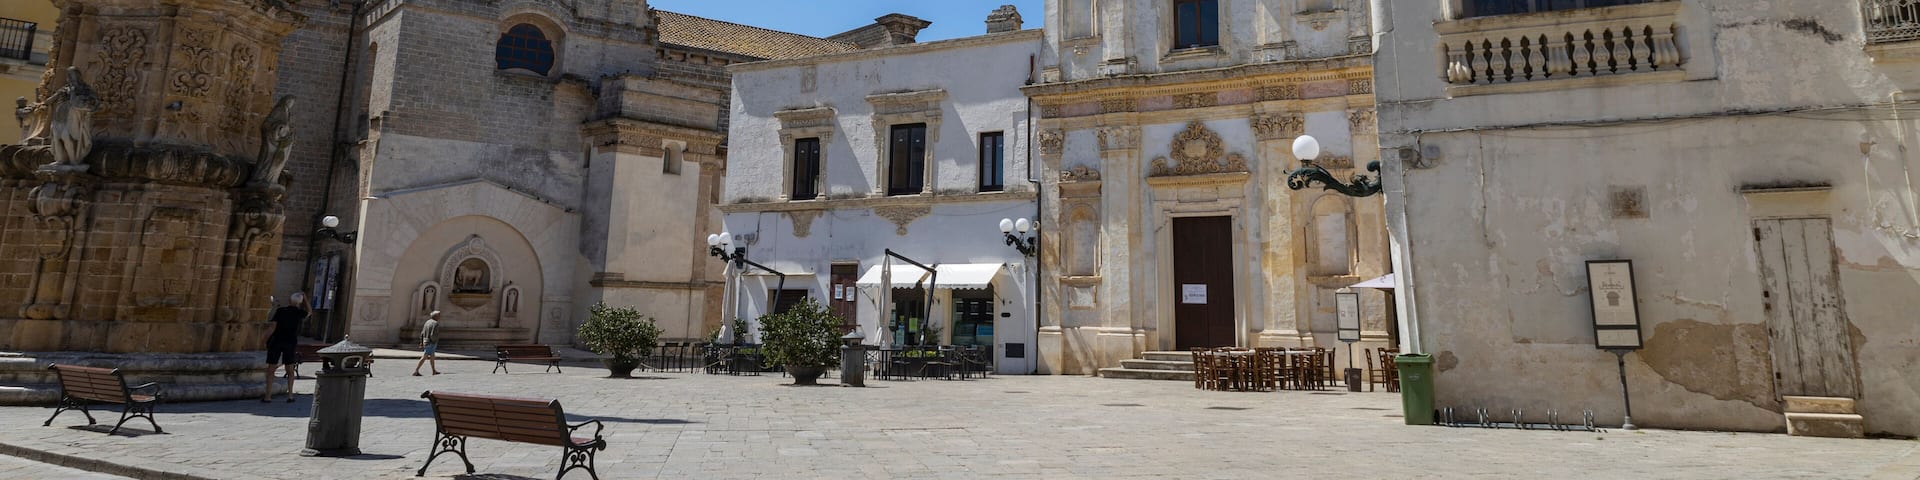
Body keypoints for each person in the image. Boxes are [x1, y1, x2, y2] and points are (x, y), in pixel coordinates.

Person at [263, 292, 309, 403]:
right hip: (290, 342)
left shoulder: (280, 311)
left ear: (289, 300)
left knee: (271, 369)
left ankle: (267, 396)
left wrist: (264, 339)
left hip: (277, 341)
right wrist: (306, 300)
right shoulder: (299, 313)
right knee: (290, 370)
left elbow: (273, 326)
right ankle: (290, 395)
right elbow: (309, 312)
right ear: (299, 303)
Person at [413, 310, 442, 376]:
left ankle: (434, 370)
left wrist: (421, 342)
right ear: (436, 316)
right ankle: (416, 370)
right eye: (439, 315)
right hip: (431, 342)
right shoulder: (435, 323)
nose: (440, 317)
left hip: (425, 341)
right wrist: (434, 341)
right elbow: (432, 334)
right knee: (425, 356)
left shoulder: (427, 322)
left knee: (432, 356)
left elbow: (422, 333)